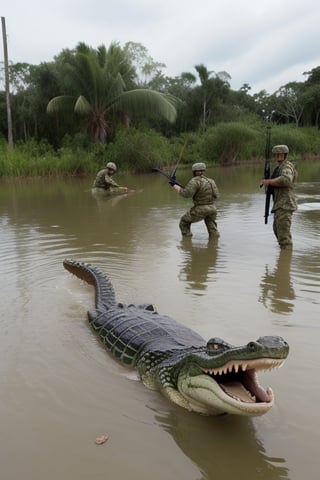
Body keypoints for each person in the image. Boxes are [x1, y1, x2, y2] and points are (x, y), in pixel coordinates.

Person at [260, 145, 297, 249]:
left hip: (285, 205)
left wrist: (270, 181)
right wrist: (265, 182)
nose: (278, 156)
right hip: (280, 204)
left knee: (284, 237)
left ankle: (285, 261)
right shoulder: (279, 168)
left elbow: (286, 179)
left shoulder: (286, 167)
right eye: (276, 154)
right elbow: (275, 181)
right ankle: (283, 256)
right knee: (277, 230)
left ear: (284, 155)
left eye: (280, 154)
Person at [171, 162, 219, 238]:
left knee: (184, 222)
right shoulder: (211, 181)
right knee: (212, 228)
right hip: (212, 208)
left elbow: (186, 194)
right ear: (203, 170)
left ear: (194, 171)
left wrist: (173, 185)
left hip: (200, 209)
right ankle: (215, 244)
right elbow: (216, 195)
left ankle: (187, 242)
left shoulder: (194, 181)